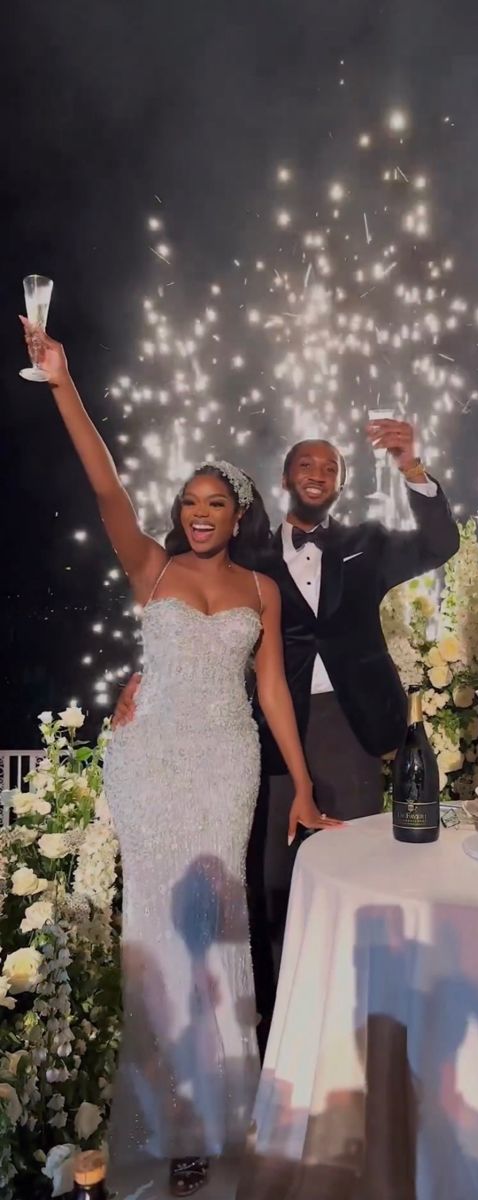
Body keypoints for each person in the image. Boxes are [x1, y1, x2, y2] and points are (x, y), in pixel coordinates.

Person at [20, 318, 339, 1197]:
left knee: (212, 933)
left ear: (239, 517)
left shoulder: (261, 589)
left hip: (226, 768)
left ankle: (209, 1116)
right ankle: (163, 1121)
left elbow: (272, 693)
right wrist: (63, 385)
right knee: (156, 937)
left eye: (214, 505)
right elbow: (103, 485)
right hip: (151, 762)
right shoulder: (150, 568)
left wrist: (302, 786)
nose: (196, 515)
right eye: (188, 503)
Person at [115, 423, 459, 1049]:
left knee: (357, 869)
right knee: (269, 879)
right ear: (284, 478)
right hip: (264, 734)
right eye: (306, 462)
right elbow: (189, 615)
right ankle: (275, 1027)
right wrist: (147, 676)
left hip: (351, 727)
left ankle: (359, 1021)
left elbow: (441, 542)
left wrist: (415, 471)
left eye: (330, 466)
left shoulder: (367, 544)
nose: (317, 472)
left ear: (341, 482)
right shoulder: (247, 555)